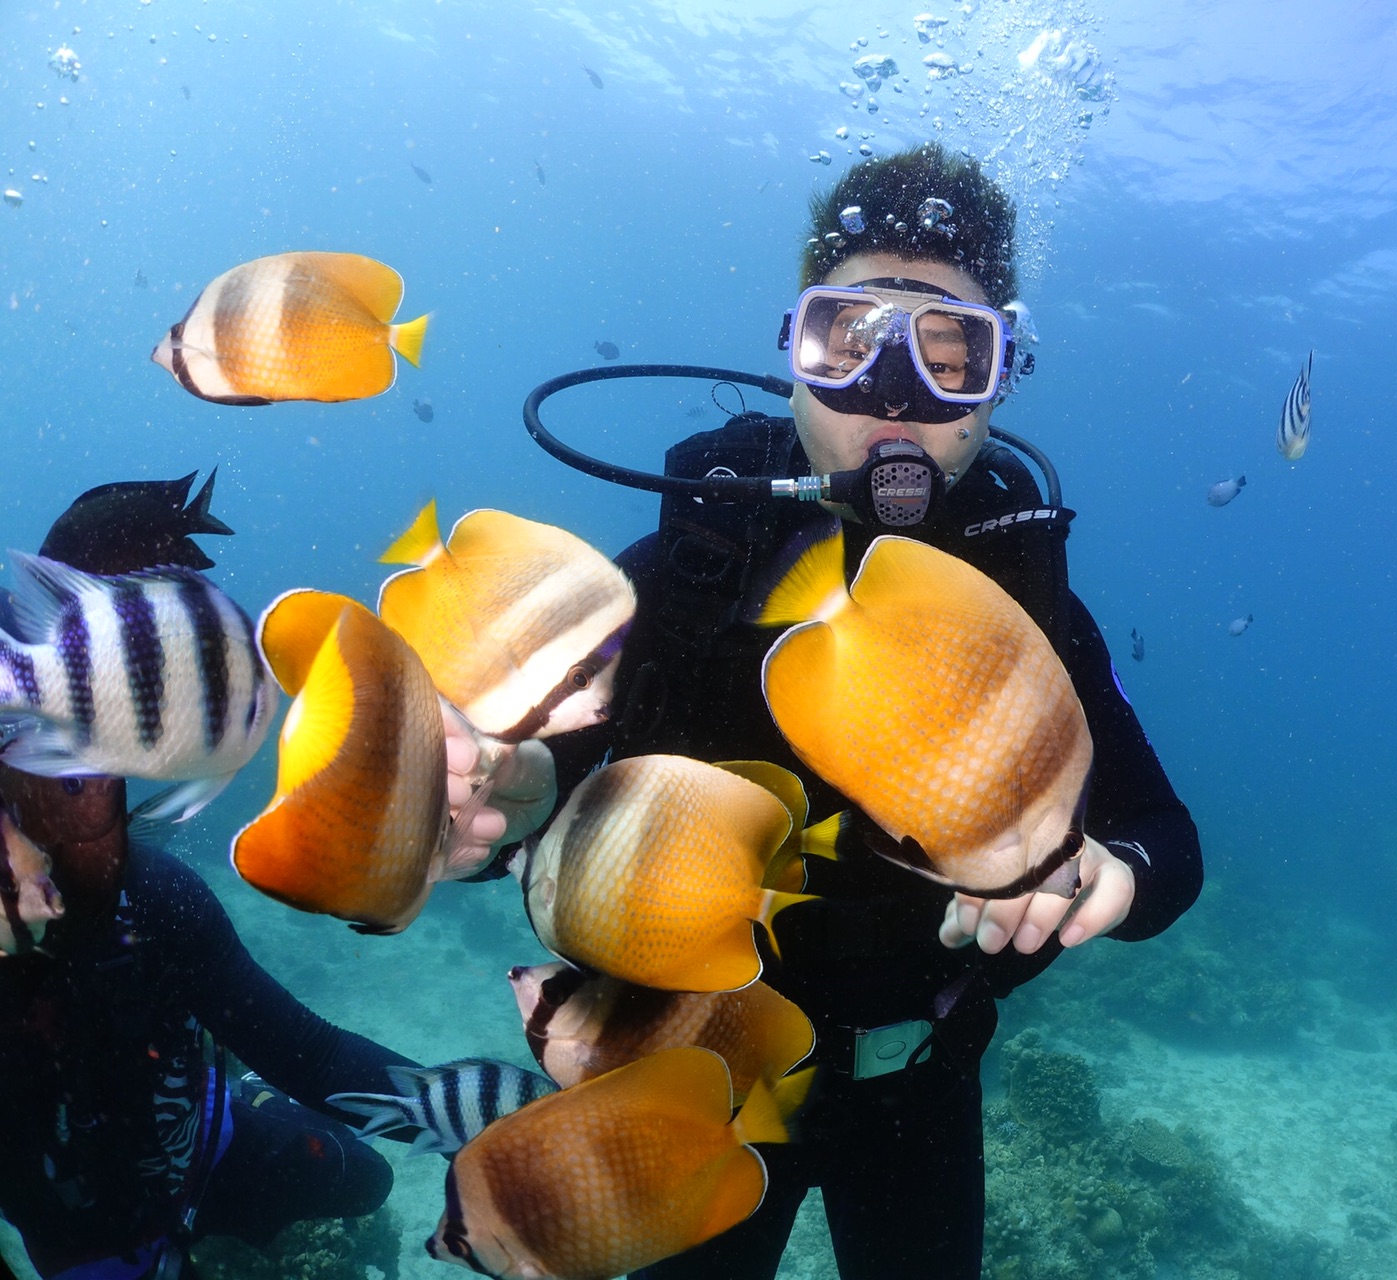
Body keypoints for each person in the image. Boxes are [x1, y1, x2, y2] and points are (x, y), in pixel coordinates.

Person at [452, 142, 1204, 1280]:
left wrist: (1115, 875)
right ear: (790, 360)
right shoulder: (683, 565)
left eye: (951, 353)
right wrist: (504, 797)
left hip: (913, 1081)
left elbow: (1169, 841)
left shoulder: (1026, 607)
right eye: (849, 342)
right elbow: (546, 769)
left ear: (1000, 381)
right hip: (687, 1073)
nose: (893, 397)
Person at [0, 482, 413, 1280]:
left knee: (371, 1178)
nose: (78, 816)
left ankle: (231, 1098)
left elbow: (307, 1050)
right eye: (54, 776)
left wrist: (465, 1109)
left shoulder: (154, 897)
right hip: (84, 1240)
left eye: (101, 777)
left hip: (206, 1142)